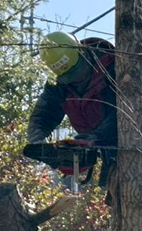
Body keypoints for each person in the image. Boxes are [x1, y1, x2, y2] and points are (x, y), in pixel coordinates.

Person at [26, 31, 117, 187]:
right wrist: (37, 142)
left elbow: (122, 114)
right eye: (68, 76)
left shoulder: (112, 68)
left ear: (83, 54)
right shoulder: (58, 85)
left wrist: (95, 138)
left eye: (76, 71)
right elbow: (42, 116)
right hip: (102, 147)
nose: (74, 79)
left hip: (127, 142)